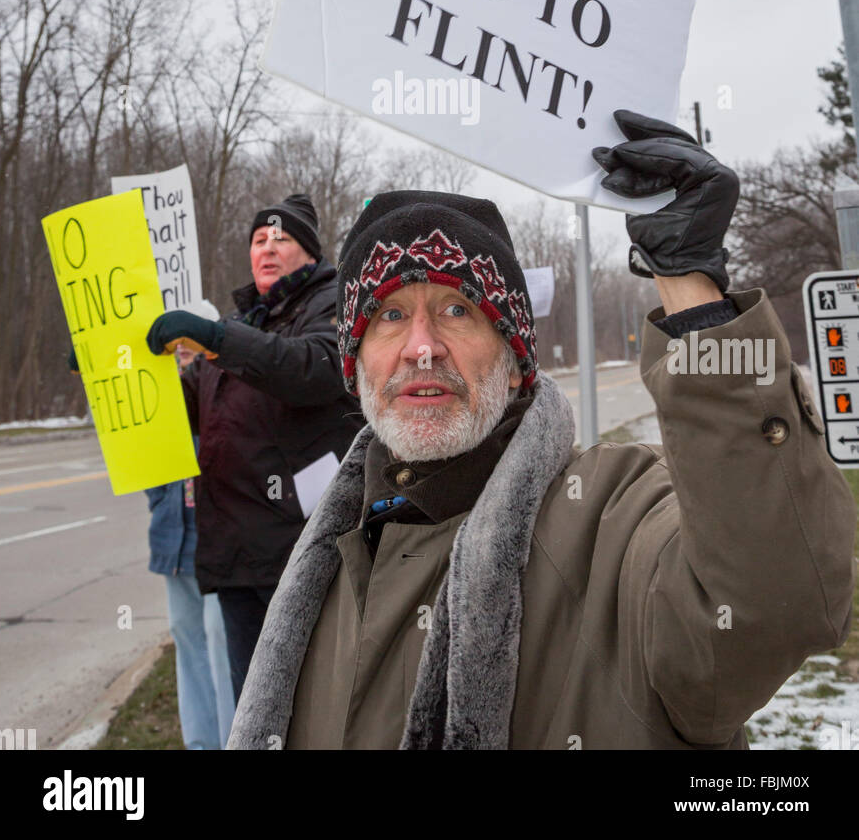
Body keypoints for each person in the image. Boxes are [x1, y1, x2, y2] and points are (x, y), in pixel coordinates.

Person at [226, 112, 857, 751]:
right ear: (354, 359)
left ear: (515, 358)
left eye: (456, 310)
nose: (422, 347)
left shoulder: (612, 514)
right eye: (390, 315)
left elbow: (771, 601)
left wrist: (692, 288)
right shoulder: (326, 565)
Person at [145, 194, 363, 702]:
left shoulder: (333, 302)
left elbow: (309, 368)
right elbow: (185, 404)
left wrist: (217, 338)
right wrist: (112, 369)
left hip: (298, 548)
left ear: (309, 253)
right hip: (234, 552)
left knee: (311, 704)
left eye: (282, 238)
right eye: (259, 240)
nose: (267, 247)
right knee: (254, 707)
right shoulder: (238, 325)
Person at [145, 343, 235, 750]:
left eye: (189, 350)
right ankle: (200, 743)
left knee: (221, 645)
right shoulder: (163, 402)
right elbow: (136, 447)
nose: (182, 359)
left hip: (218, 545)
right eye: (175, 352)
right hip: (175, 546)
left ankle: (233, 737)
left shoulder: (218, 396)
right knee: (188, 644)